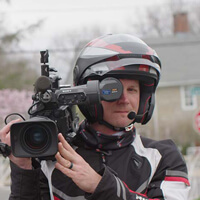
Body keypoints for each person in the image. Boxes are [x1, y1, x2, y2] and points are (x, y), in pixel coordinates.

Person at [0, 34, 190, 200]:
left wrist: (99, 185)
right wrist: (23, 168)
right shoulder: (53, 155)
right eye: (112, 90)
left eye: (132, 90)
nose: (124, 99)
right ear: (87, 92)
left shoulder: (161, 156)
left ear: (144, 98)